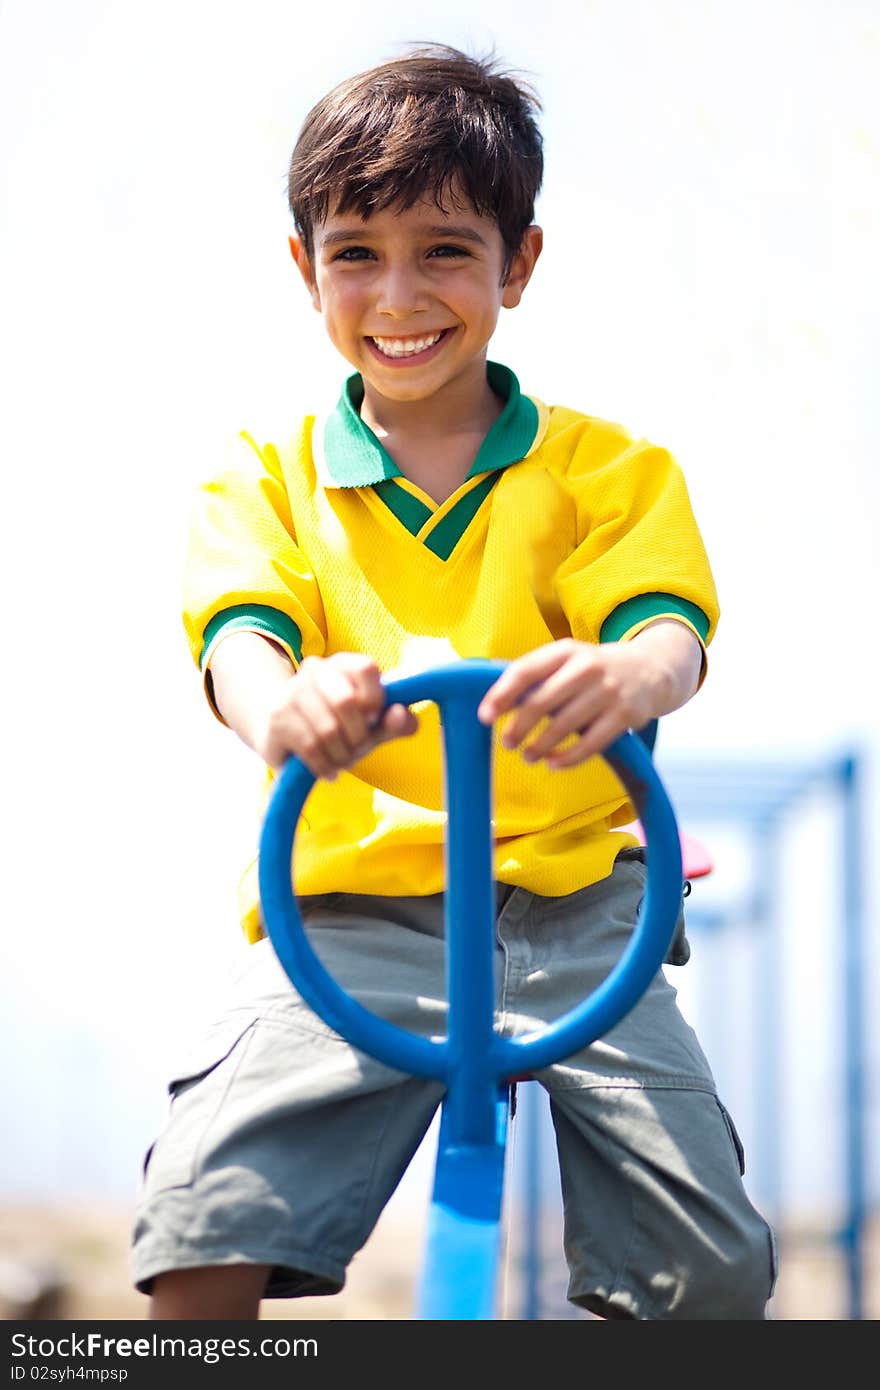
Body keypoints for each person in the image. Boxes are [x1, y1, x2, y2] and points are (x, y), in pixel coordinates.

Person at [132, 45, 776, 1320]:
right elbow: (237, 642)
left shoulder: (608, 469)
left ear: (515, 265)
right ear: (305, 267)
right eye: (356, 251)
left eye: (444, 249)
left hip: (579, 908)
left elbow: (667, 629)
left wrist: (628, 674)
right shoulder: (267, 473)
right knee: (200, 1227)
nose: (397, 292)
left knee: (706, 1269)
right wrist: (284, 708)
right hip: (354, 904)